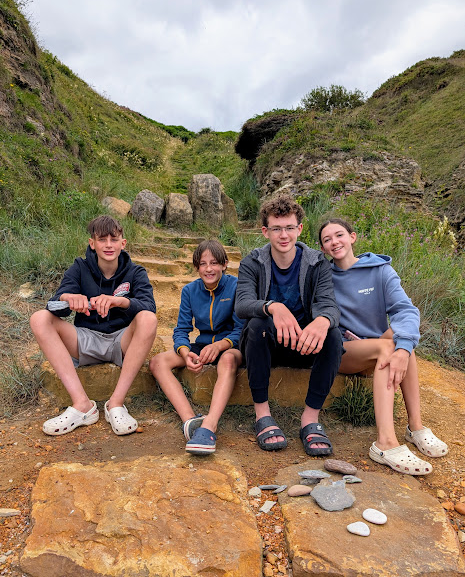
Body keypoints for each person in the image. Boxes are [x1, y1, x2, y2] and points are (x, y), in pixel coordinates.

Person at [319, 218, 448, 475]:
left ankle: (415, 427)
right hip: (344, 351)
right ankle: (385, 443)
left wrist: (403, 347)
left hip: (377, 346)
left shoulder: (380, 271)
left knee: (403, 343)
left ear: (352, 237)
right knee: (388, 348)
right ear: (323, 249)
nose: (334, 242)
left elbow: (405, 310)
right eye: (327, 239)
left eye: (339, 235)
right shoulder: (324, 277)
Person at [30, 215, 158, 436]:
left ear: (123, 243)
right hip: (84, 339)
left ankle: (116, 404)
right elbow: (54, 304)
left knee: (148, 319)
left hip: (121, 342)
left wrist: (120, 301)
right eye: (102, 239)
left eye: (114, 239)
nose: (108, 245)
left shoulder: (136, 272)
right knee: (39, 318)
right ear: (92, 243)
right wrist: (68, 298)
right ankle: (82, 405)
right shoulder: (79, 267)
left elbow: (149, 306)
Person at [235, 195, 343, 454]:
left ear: (299, 229)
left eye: (289, 228)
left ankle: (310, 418)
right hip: (266, 346)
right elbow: (242, 304)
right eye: (276, 229)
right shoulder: (252, 262)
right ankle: (262, 414)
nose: (283, 235)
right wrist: (273, 306)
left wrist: (323, 320)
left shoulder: (317, 263)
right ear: (265, 231)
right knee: (257, 323)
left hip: (304, 346)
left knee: (333, 335)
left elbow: (329, 305)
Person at [150, 240, 243, 455]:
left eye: (214, 263)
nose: (209, 268)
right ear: (196, 267)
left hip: (230, 345)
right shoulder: (190, 290)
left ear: (225, 264)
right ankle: (191, 421)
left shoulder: (236, 286)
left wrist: (219, 346)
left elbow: (241, 329)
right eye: (203, 264)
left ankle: (210, 424)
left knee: (228, 359)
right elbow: (181, 329)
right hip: (203, 345)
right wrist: (185, 352)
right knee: (157, 362)